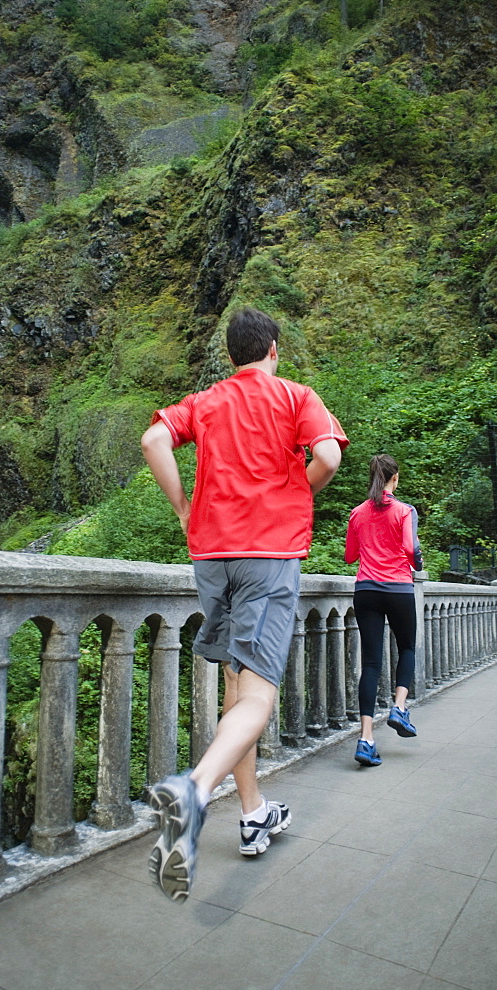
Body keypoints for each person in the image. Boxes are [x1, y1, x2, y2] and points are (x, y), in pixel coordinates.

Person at [141, 306, 348, 902]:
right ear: (274, 349)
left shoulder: (205, 401)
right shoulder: (294, 395)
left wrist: (183, 507)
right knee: (259, 696)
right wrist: (292, 493)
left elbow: (155, 438)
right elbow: (329, 456)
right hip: (268, 555)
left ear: (231, 356)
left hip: (213, 557)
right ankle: (194, 792)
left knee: (237, 688)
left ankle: (254, 811)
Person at [344, 454, 423, 767]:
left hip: (366, 591)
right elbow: (410, 549)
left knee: (371, 663)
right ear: (395, 478)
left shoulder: (357, 513)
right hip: (399, 588)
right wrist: (417, 564)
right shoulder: (405, 510)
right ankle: (399, 707)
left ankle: (366, 739)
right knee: (406, 648)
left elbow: (351, 556)